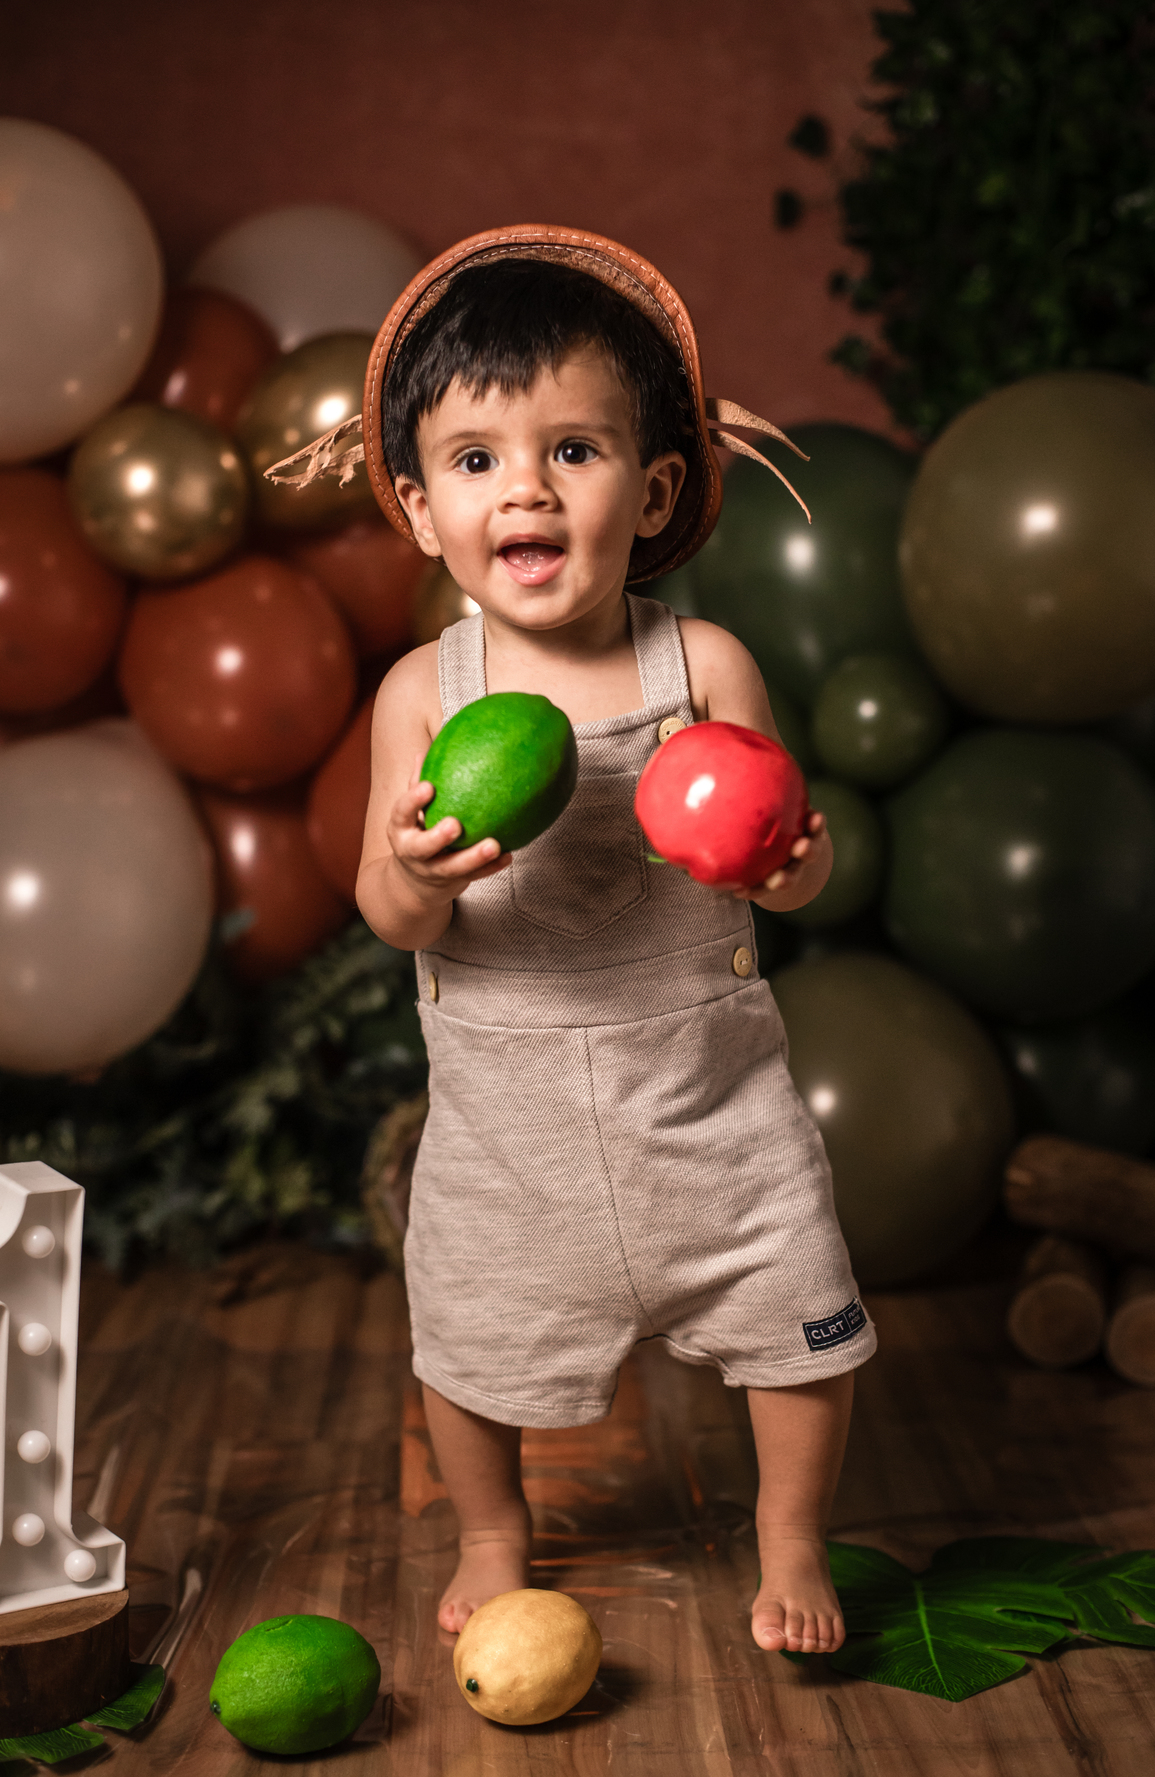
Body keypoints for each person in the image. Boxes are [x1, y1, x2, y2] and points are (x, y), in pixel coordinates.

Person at [351, 228, 877, 1659]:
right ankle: (494, 1529)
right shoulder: (421, 693)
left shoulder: (700, 671)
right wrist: (411, 868)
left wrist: (791, 862)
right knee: (465, 1335)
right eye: (475, 462)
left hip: (707, 1102)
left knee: (797, 1306)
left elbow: (781, 867)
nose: (524, 486)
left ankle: (789, 1536)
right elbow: (385, 914)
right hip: (508, 1118)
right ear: (415, 509)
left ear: (649, 495)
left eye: (572, 451)